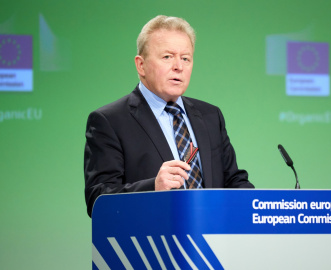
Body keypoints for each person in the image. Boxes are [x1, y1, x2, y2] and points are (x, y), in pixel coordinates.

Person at [84, 15, 254, 217]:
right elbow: (98, 199)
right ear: (141, 65)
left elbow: (234, 180)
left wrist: (258, 206)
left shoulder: (210, 116)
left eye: (185, 58)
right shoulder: (110, 121)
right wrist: (153, 187)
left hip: (213, 240)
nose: (178, 66)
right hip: (150, 243)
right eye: (167, 57)